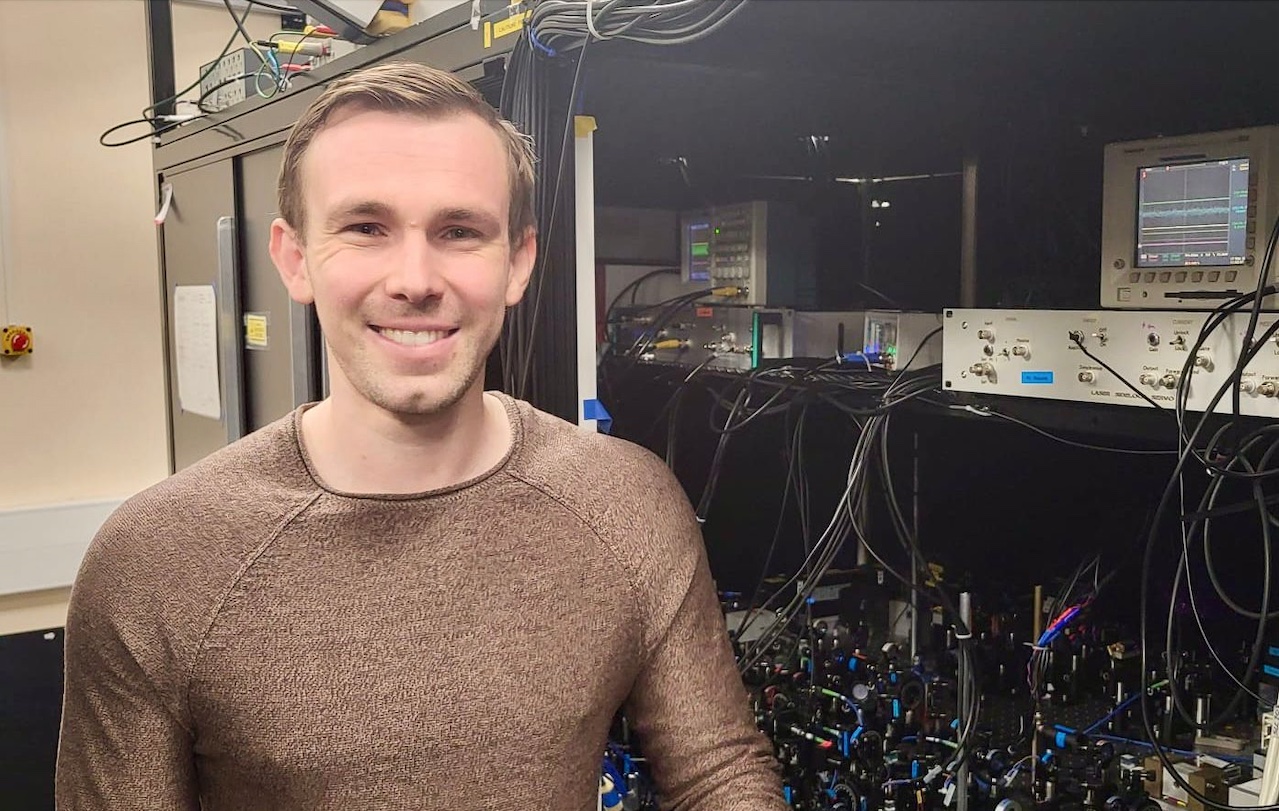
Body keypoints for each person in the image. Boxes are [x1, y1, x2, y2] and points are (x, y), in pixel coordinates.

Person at [56, 61, 784, 810]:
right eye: (366, 228)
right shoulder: (158, 558)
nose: (415, 278)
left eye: (458, 231)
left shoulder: (624, 501)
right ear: (295, 258)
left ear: (518, 260)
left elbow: (718, 773)